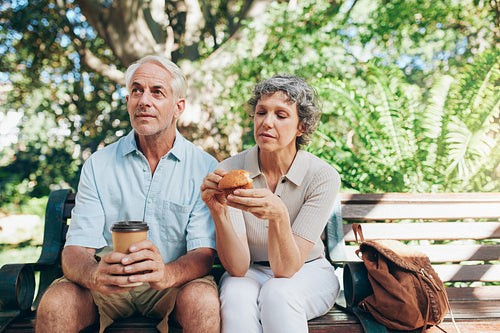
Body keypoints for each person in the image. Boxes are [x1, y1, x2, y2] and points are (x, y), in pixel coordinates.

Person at [35, 55, 220, 333]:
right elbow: (75, 250)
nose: (144, 100)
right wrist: (94, 274)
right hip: (107, 283)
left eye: (157, 92)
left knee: (202, 300)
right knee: (57, 302)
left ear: (178, 107)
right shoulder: (99, 164)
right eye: (136, 90)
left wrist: (167, 273)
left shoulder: (204, 167)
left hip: (172, 284)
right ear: (128, 102)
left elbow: (203, 253)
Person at [200, 74, 341, 332]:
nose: (266, 122)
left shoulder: (322, 176)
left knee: (278, 293)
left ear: (302, 127)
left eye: (281, 115)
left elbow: (286, 269)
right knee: (236, 296)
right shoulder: (231, 171)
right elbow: (239, 267)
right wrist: (218, 212)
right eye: (261, 112)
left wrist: (279, 217)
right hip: (250, 270)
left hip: (307, 271)